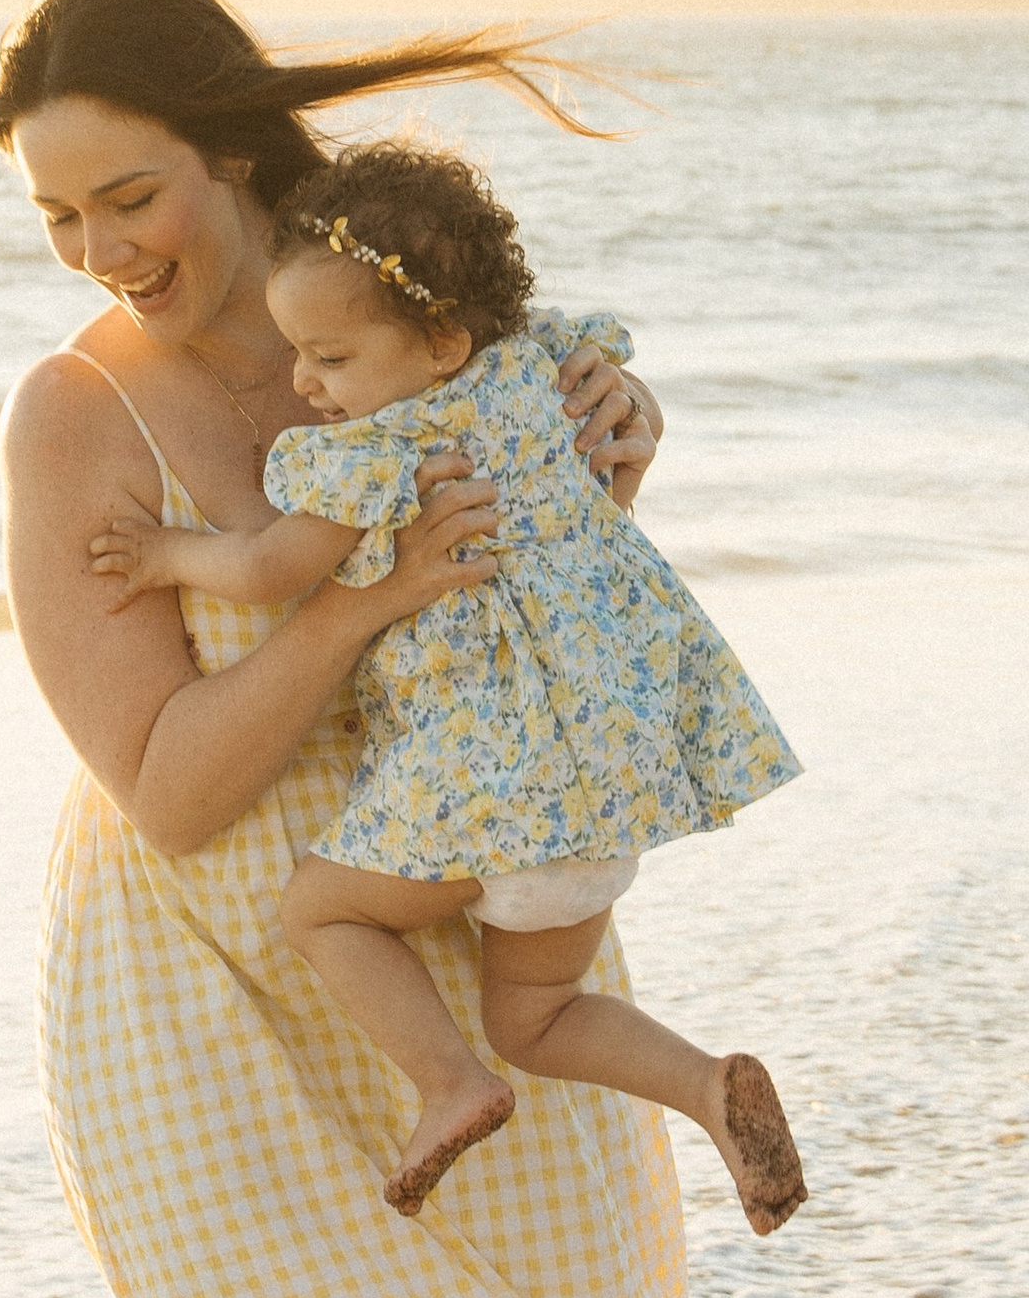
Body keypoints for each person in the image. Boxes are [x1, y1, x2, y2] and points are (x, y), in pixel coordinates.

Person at [0, 0, 758, 1298]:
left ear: (236, 153)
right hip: (198, 990)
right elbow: (170, 788)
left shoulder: (425, 325)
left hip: (467, 915)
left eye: (129, 194)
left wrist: (610, 465)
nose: (100, 249)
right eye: (58, 215)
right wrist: (361, 593)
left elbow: (558, 587)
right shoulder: (74, 415)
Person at [89, 138, 804, 1224]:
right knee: (539, 1011)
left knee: (321, 911)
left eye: (329, 357)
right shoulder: (544, 375)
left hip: (489, 781)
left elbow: (271, 566)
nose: (303, 383)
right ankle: (708, 1088)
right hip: (610, 784)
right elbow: (617, 432)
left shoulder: (390, 449)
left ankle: (447, 1082)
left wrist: (162, 556)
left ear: (441, 343)